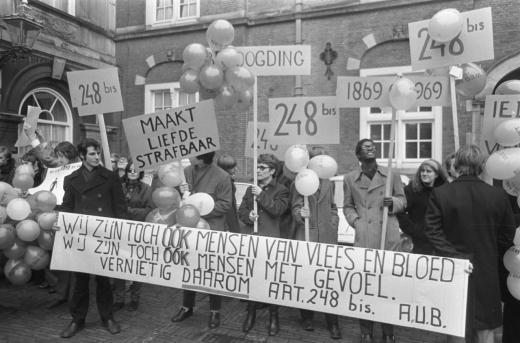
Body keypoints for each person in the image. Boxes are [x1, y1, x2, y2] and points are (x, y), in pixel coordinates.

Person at [424, 145, 515, 343]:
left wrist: (456, 257)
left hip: (453, 268)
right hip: (486, 268)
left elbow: (432, 231)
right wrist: (490, 251)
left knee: (456, 326)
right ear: (482, 165)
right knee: (485, 329)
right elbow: (507, 233)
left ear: (456, 165)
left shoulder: (441, 194)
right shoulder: (497, 195)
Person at [59, 138, 127, 338]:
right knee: (79, 280)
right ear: (82, 156)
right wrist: (60, 221)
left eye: (98, 153)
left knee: (104, 279)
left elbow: (120, 207)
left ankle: (107, 317)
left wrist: (122, 232)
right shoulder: (71, 179)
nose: (97, 157)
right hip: (80, 236)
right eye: (92, 153)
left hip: (104, 236)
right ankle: (77, 319)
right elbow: (67, 206)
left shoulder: (110, 177)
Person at [343, 138, 406, 343]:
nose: (371, 148)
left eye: (373, 146)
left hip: (387, 235)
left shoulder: (391, 174)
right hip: (365, 236)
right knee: (365, 287)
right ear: (358, 154)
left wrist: (393, 202)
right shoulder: (350, 178)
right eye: (365, 146)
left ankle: (389, 333)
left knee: (387, 287)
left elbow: (403, 200)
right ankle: (366, 332)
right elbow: (347, 206)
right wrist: (356, 221)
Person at [170, 151, 232, 329]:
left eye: (193, 155)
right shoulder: (186, 171)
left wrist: (199, 207)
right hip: (189, 229)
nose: (189, 157)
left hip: (211, 230)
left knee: (212, 270)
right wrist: (179, 193)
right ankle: (187, 306)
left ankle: (215, 311)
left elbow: (225, 204)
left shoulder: (222, 176)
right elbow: (177, 200)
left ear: (203, 157)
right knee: (189, 268)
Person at [291, 147, 341, 339]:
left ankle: (333, 322)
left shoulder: (329, 183)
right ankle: (307, 317)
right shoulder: (300, 181)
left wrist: (333, 222)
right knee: (307, 279)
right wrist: (299, 215)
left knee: (329, 281)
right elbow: (294, 206)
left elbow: (333, 206)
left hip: (327, 237)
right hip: (307, 236)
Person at [238, 154, 289, 336]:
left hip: (270, 240)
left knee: (271, 278)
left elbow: (277, 210)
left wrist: (261, 195)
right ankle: (250, 314)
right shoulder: (251, 189)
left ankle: (273, 317)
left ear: (272, 171)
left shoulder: (282, 190)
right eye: (257, 167)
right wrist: (248, 217)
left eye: (262, 167)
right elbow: (241, 210)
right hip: (252, 238)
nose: (258, 170)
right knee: (252, 277)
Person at [113, 161, 154, 312]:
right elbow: (115, 205)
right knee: (118, 265)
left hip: (138, 232)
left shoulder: (147, 189)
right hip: (120, 231)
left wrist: (129, 211)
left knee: (136, 266)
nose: (131, 172)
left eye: (135, 170)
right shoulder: (119, 187)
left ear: (140, 172)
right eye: (129, 169)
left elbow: (149, 210)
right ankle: (119, 298)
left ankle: (135, 298)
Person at [396, 159, 448, 255]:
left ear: (436, 174)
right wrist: (412, 229)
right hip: (418, 240)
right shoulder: (411, 190)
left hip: (440, 240)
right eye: (422, 171)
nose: (424, 174)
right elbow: (400, 211)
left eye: (428, 171)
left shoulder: (445, 190)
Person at [216, 153, 241, 233]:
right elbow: (223, 205)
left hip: (231, 215)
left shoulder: (223, 180)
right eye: (232, 168)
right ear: (225, 169)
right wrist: (226, 227)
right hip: (228, 218)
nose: (236, 169)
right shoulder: (223, 182)